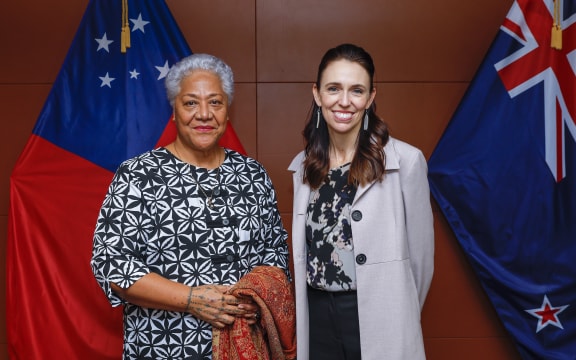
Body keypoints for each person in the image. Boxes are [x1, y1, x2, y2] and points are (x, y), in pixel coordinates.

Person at [91, 53, 291, 359]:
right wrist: (191, 299)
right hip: (162, 348)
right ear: (174, 110)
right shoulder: (138, 176)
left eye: (215, 102)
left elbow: (275, 255)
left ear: (227, 110)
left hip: (242, 348)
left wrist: (258, 297)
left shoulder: (253, 176)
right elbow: (112, 265)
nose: (204, 114)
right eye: (190, 103)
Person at [288, 43, 434, 360]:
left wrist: (400, 315)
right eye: (333, 88)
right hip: (317, 318)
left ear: (370, 98)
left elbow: (421, 265)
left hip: (382, 317)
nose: (344, 101)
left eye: (356, 90)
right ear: (317, 94)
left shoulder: (406, 161)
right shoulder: (303, 166)